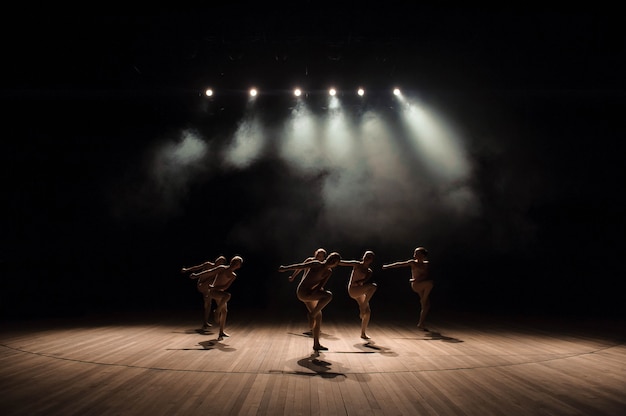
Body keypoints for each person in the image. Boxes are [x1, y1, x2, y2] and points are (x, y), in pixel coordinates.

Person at [278, 252, 341, 351]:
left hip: (311, 293)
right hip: (302, 292)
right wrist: (285, 268)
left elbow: (320, 286)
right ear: (327, 257)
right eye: (331, 258)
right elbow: (300, 266)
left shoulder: (328, 272)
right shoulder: (316, 264)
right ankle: (312, 315)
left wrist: (316, 292)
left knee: (319, 315)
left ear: (335, 265)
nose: (331, 261)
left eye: (334, 261)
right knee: (328, 296)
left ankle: (316, 344)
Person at [192, 256, 243, 340]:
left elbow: (226, 286)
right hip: (213, 292)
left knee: (225, 311)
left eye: (236, 264)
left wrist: (216, 287)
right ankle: (216, 311)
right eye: (234, 262)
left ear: (238, 266)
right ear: (231, 262)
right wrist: (197, 275)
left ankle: (221, 332)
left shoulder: (233, 276)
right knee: (227, 296)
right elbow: (209, 272)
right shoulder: (222, 268)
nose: (234, 264)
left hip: (219, 292)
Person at [382, 247, 433, 331]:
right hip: (416, 285)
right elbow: (399, 264)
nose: (414, 255)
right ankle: (423, 299)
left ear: (422, 255)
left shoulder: (426, 264)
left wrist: (416, 279)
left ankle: (421, 323)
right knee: (430, 284)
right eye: (415, 253)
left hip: (421, 284)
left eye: (417, 253)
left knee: (426, 306)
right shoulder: (412, 263)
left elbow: (425, 275)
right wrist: (387, 266)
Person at [338, 250, 378, 339]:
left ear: (371, 260)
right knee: (373, 286)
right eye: (366, 256)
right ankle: (363, 306)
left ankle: (363, 333)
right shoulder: (357, 264)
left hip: (359, 291)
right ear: (363, 257)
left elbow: (363, 281)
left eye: (370, 257)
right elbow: (344, 263)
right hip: (353, 290)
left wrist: (361, 281)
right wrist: (333, 261)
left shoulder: (369, 271)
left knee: (367, 312)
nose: (367, 258)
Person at [287, 248, 327, 336]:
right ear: (315, 254)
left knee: (316, 310)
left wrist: (319, 288)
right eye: (317, 255)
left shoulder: (323, 266)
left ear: (324, 257)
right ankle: (314, 328)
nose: (319, 257)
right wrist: (293, 276)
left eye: (321, 256)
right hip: (305, 289)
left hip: (315, 290)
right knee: (313, 309)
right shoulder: (310, 261)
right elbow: (300, 267)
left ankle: (314, 329)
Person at [182, 255, 227, 331]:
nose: (218, 261)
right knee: (210, 294)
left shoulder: (219, 270)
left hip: (207, 287)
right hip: (201, 285)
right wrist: (187, 270)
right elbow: (197, 267)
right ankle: (215, 305)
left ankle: (205, 322)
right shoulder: (208, 264)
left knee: (208, 304)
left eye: (220, 261)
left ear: (222, 264)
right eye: (218, 259)